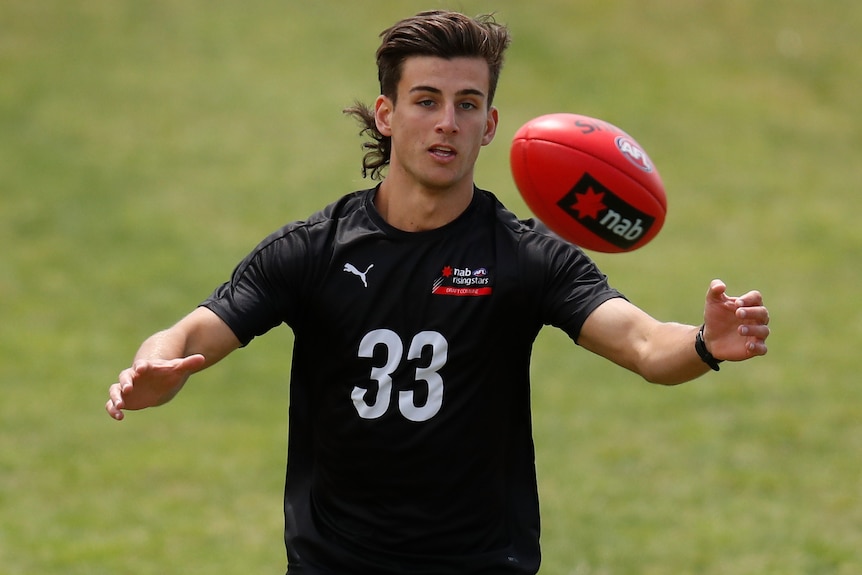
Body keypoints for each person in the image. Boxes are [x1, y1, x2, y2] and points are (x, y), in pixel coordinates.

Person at [105, 10, 770, 575]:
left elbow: (645, 343)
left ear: (489, 124)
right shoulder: (314, 249)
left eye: (467, 104)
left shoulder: (524, 256)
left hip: (480, 561)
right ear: (389, 115)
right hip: (333, 560)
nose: (447, 121)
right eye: (427, 100)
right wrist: (155, 366)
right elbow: (191, 333)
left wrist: (705, 343)